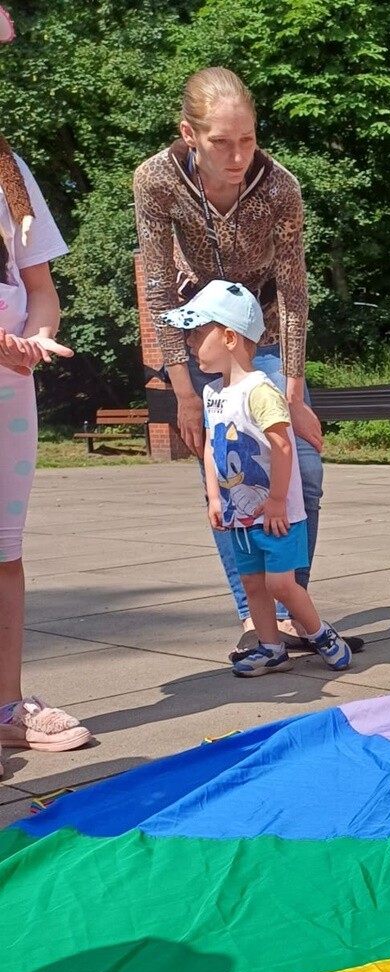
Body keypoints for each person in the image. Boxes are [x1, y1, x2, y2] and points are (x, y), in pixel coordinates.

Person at [134, 68, 361, 660]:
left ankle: (291, 604)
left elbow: (294, 287)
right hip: (202, 338)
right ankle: (253, 612)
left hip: (263, 332)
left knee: (303, 466)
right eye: (220, 142)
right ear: (189, 134)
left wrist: (293, 388)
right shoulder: (157, 180)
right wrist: (182, 388)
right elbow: (158, 287)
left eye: (248, 140)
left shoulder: (279, 187)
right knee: (232, 475)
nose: (237, 156)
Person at [161, 280, 352, 678]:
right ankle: (271, 647)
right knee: (253, 584)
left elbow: (282, 447)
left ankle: (320, 634)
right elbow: (212, 449)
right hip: (239, 513)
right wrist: (214, 498)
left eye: (198, 334)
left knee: (281, 585)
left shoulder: (261, 390)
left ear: (229, 336)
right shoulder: (214, 393)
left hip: (276, 514)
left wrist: (278, 500)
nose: (191, 344)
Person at [0, 133, 91, 770]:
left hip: (9, 390)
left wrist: (36, 339)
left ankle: (7, 709)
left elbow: (40, 288)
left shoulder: (9, 169)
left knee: (5, 550)